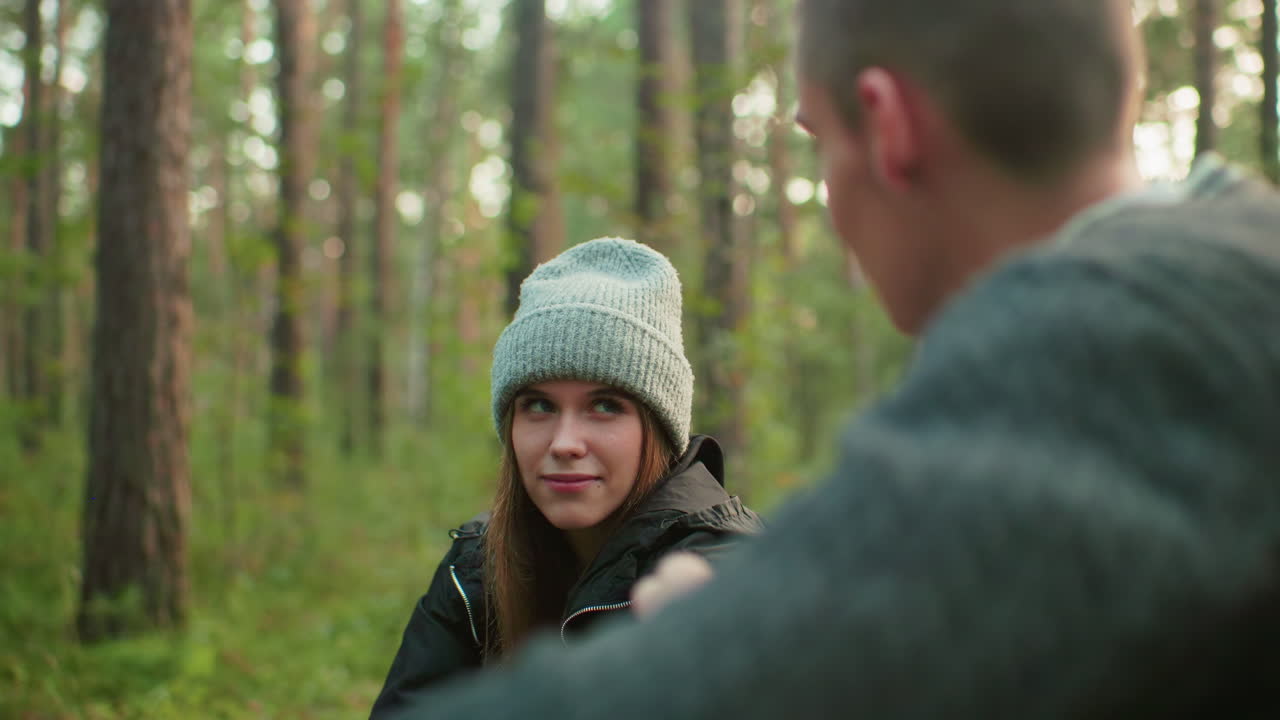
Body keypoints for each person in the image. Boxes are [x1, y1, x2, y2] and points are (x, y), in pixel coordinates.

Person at [382, 0, 1280, 717]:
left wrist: (724, 656)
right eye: (538, 405)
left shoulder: (1089, 371)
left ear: (887, 128)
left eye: (816, 140)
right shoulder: (1232, 284)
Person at [369, 237, 762, 718]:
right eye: (539, 405)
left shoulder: (727, 572)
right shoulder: (477, 569)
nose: (564, 442)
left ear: (654, 428)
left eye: (604, 406)